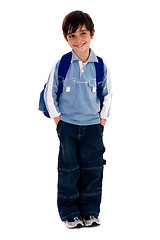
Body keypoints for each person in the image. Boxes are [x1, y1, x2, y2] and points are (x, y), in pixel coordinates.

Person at [44, 10, 112, 228]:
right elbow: (50, 94)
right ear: (66, 38)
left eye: (82, 33)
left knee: (93, 169)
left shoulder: (100, 66)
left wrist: (101, 122)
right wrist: (58, 121)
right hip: (68, 127)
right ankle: (69, 213)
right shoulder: (62, 64)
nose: (78, 40)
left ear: (92, 34)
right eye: (71, 35)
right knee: (68, 170)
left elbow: (108, 95)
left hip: (93, 127)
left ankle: (90, 211)